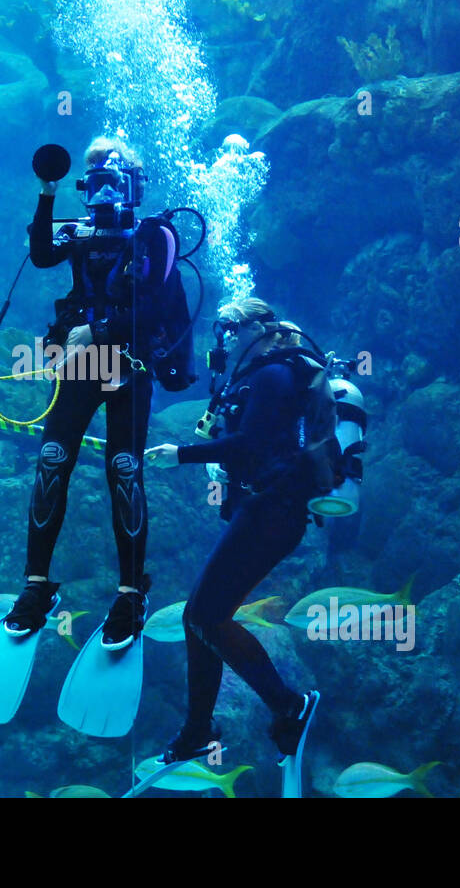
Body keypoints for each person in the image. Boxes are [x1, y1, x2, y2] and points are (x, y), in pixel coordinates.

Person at [2, 136, 177, 650]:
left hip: (130, 361)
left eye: (112, 176)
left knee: (124, 469)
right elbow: (38, 255)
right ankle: (36, 587)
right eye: (93, 175)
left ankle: (130, 593)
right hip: (80, 363)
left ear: (134, 183)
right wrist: (47, 190)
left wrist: (97, 335)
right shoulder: (80, 232)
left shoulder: (155, 235)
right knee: (52, 459)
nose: (101, 184)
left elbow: (157, 307)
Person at [145, 297, 326, 764]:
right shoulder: (260, 378)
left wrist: (179, 455)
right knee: (199, 618)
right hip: (264, 509)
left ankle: (289, 705)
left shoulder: (273, 375)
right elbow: (252, 447)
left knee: (203, 616)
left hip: (273, 511)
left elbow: (252, 444)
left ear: (260, 329)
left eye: (232, 329)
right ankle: (198, 729)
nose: (225, 339)